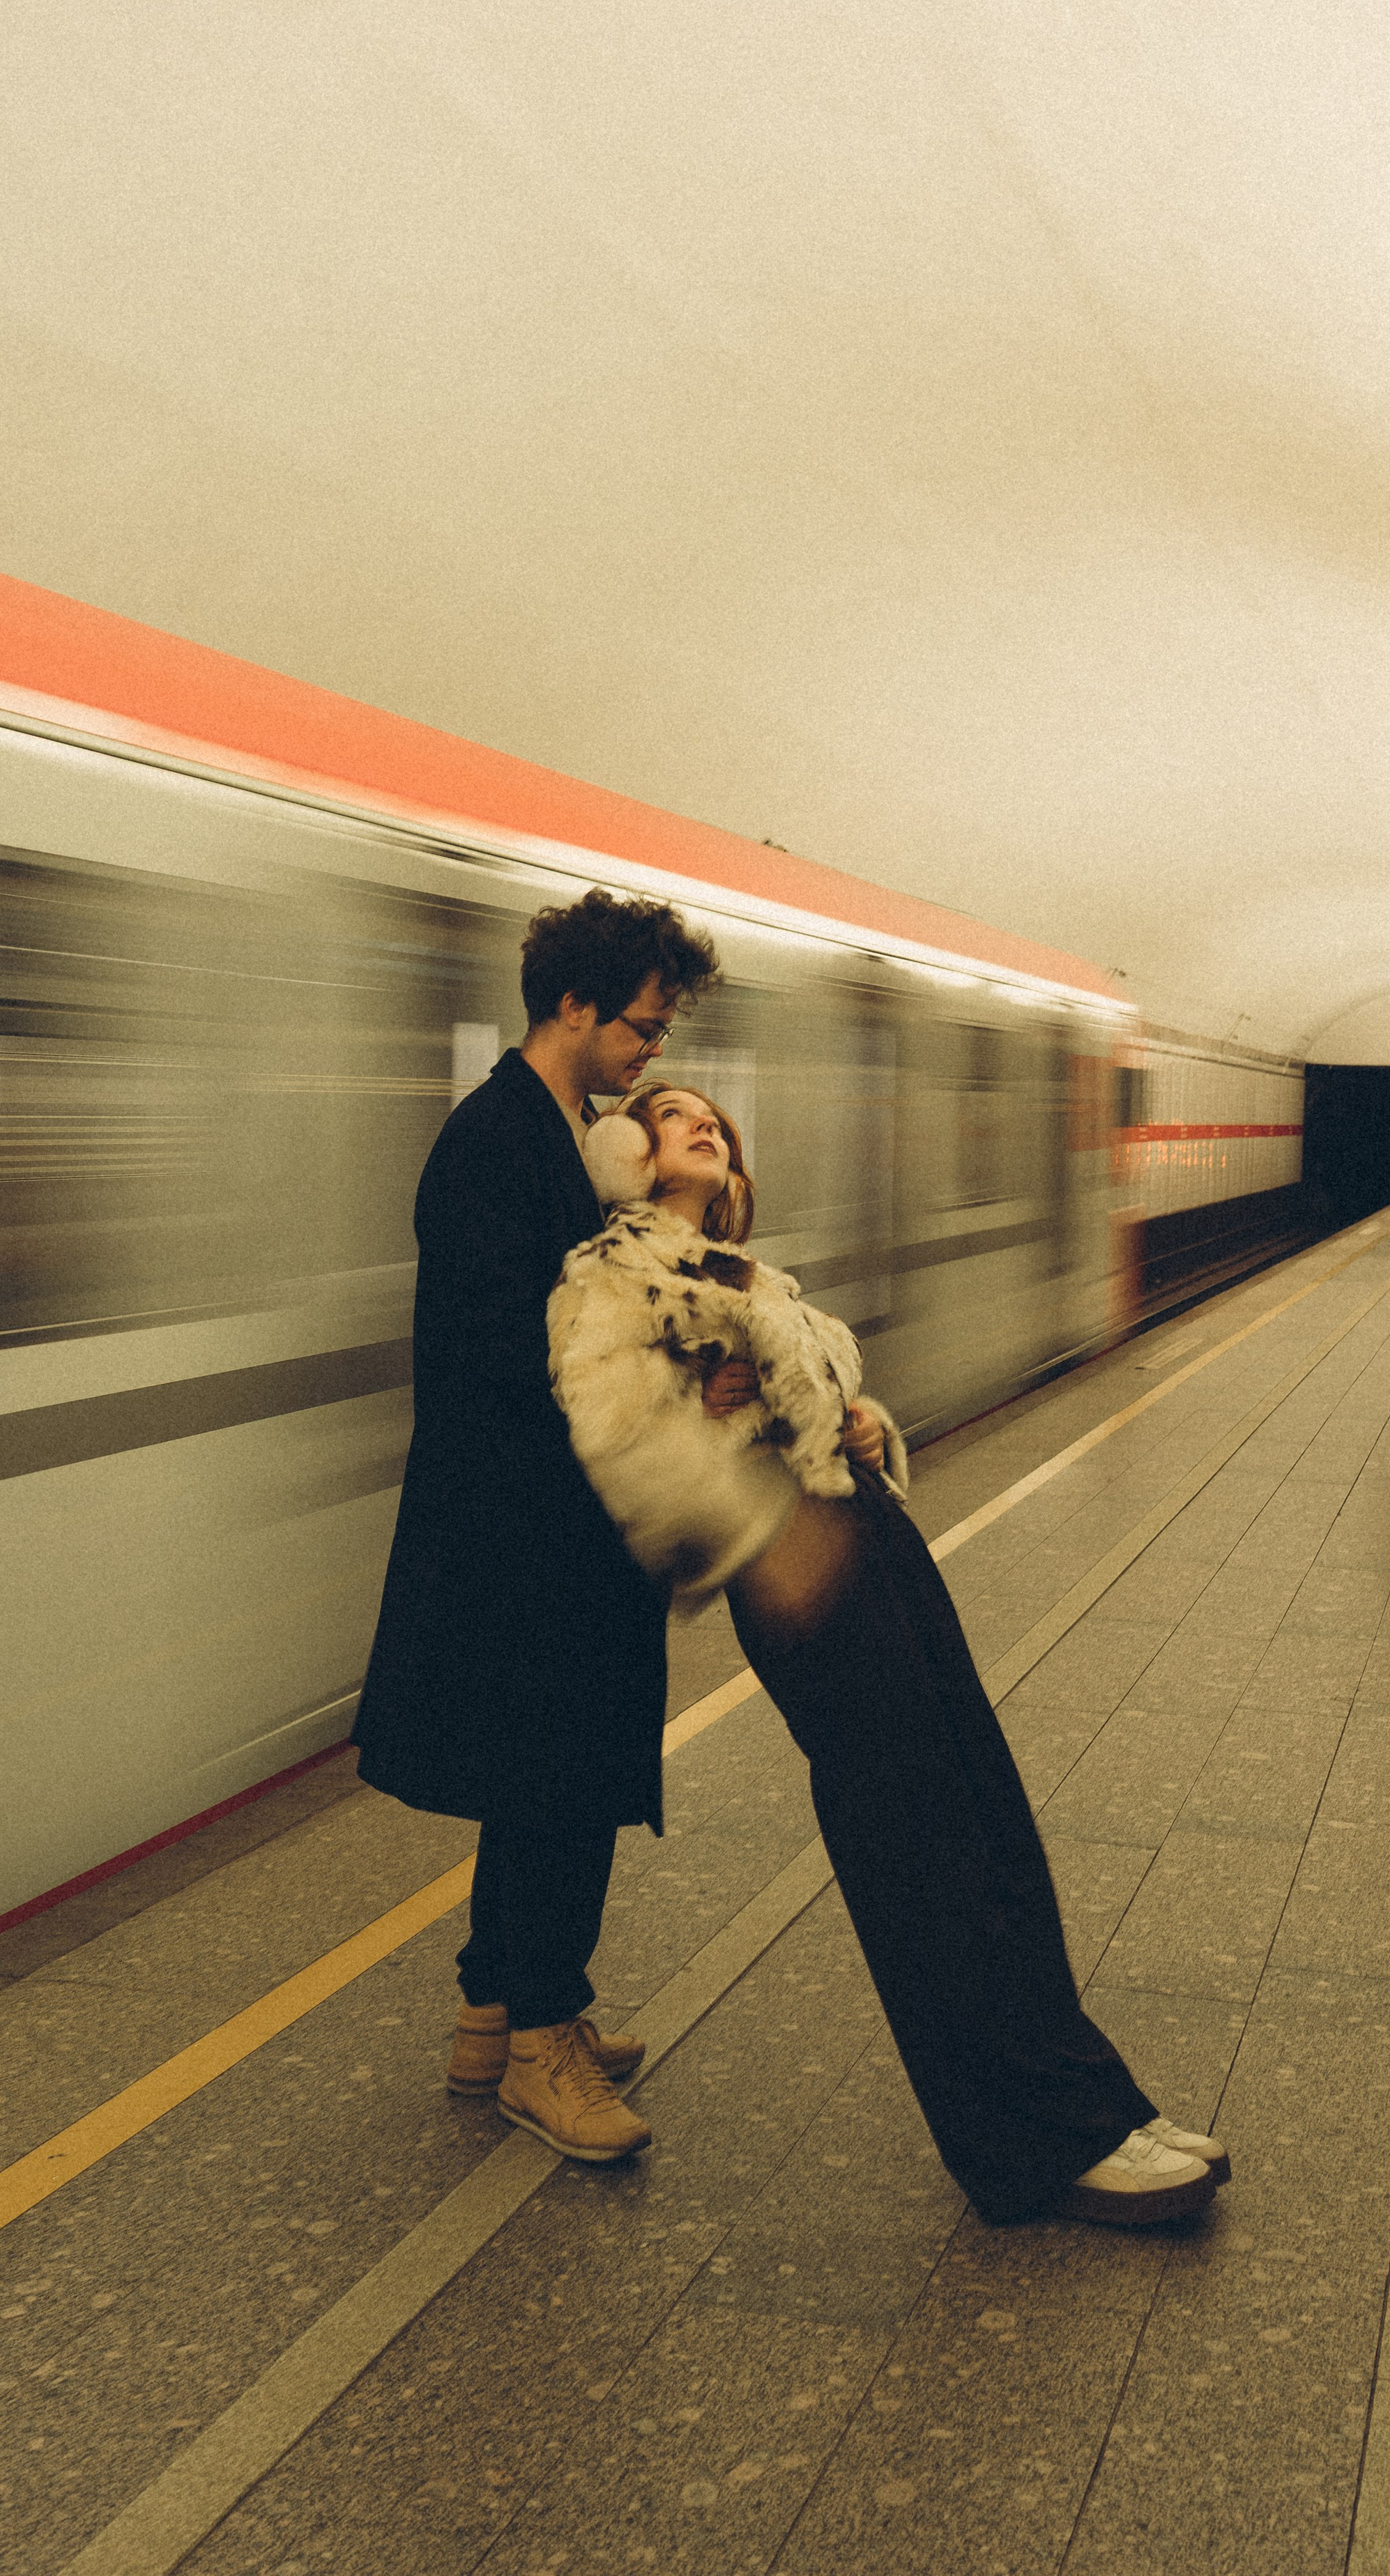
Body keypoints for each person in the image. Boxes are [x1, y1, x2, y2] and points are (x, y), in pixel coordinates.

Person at [547, 1081, 1231, 2226]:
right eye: (669, 1116)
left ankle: (1086, 2096)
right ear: (622, 1154)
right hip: (800, 1565)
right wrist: (750, 1517)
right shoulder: (610, 1281)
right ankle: (1027, 2145)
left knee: (984, 1814)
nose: (701, 1122)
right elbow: (620, 1441)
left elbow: (817, 1392)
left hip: (871, 1539)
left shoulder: (741, 1274)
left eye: (713, 1115)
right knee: (918, 1851)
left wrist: (862, 1424)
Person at [353, 890, 720, 2167]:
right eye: (643, 1026)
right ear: (574, 1002)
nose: (653, 1052)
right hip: (529, 1537)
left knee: (535, 1780)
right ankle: (542, 2049)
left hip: (545, 1528)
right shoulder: (496, 1143)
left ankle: (492, 2015)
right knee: (563, 1782)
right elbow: (535, 1348)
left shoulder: (553, 1132)